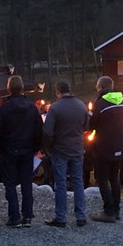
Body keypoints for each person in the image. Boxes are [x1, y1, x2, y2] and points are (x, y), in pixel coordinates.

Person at [0, 75, 43, 228]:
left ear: (9, 88)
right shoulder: (31, 107)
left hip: (9, 151)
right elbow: (39, 130)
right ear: (22, 88)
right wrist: (35, 148)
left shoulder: (5, 108)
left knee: (10, 184)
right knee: (27, 183)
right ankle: (27, 215)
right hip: (27, 151)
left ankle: (14, 216)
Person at [43, 80, 90, 227]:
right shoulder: (81, 105)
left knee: (61, 183)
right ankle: (80, 216)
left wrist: (48, 147)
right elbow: (87, 126)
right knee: (78, 182)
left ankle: (61, 217)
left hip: (60, 150)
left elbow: (47, 131)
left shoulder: (55, 108)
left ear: (58, 92)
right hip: (77, 148)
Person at [89, 76, 123, 223]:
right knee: (114, 177)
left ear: (99, 87)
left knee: (102, 178)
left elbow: (91, 124)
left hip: (104, 147)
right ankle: (116, 209)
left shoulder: (100, 104)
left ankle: (108, 211)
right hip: (119, 144)